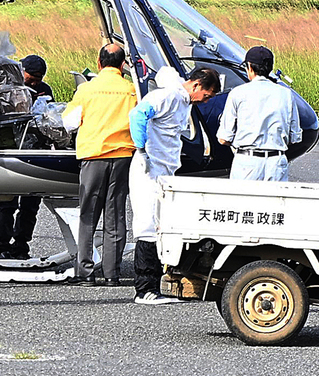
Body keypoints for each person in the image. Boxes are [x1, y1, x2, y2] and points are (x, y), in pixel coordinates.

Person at [128, 67, 221, 305]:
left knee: (161, 224)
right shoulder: (168, 96)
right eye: (207, 95)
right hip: (150, 168)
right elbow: (138, 114)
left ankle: (154, 284)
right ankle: (144, 289)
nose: (205, 100)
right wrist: (141, 148)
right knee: (148, 225)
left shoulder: (183, 98)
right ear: (197, 85)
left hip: (165, 170)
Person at [62, 44, 137, 286]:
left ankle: (85, 272)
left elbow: (70, 122)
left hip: (94, 155)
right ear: (123, 64)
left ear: (99, 62)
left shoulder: (87, 89)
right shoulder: (131, 90)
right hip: (124, 156)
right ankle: (111, 273)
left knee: (88, 215)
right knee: (116, 215)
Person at [0, 54, 52, 259]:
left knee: (31, 204)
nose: (35, 82)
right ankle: (1, 246)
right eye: (31, 77)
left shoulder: (45, 90)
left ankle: (21, 245)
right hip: (13, 150)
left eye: (38, 78)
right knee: (8, 202)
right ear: (21, 71)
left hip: (35, 149)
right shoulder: (9, 89)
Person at [217, 46, 302, 182]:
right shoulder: (286, 94)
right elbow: (295, 136)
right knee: (275, 202)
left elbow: (223, 138)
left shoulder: (238, 93)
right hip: (276, 162)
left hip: (246, 162)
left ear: (249, 67)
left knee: (244, 202)